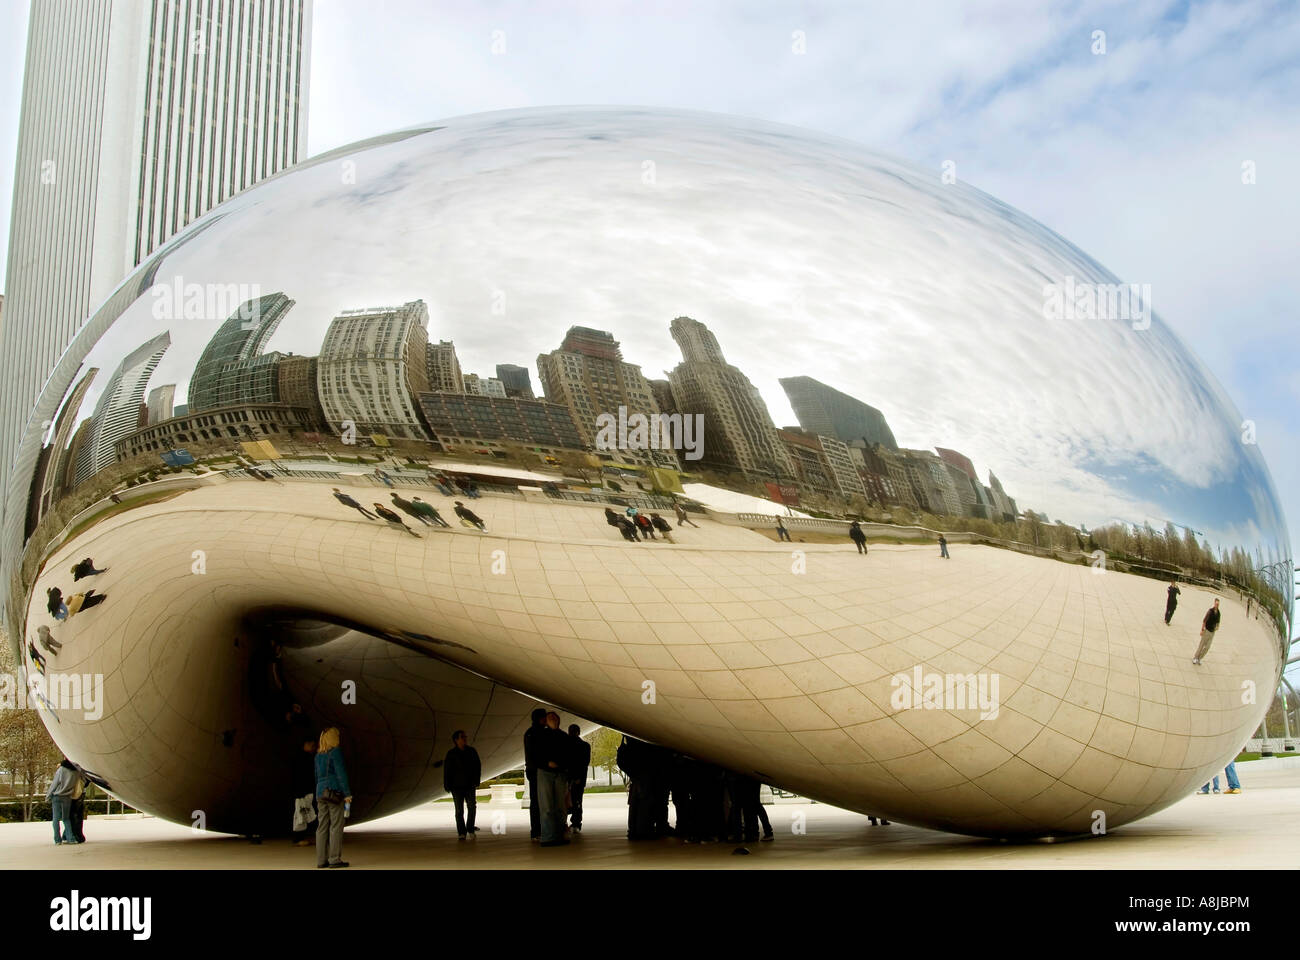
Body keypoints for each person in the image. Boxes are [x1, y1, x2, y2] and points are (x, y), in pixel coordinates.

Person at [314, 727, 351, 868]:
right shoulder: (335, 752)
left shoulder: (318, 755)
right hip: (334, 792)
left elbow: (317, 776)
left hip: (320, 793)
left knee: (322, 826)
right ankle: (334, 859)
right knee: (336, 825)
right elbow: (341, 774)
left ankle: (321, 860)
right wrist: (347, 793)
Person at [536, 712, 570, 846]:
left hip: (560, 773)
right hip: (546, 772)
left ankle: (559, 835)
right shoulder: (541, 736)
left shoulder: (563, 736)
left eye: (555, 718)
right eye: (550, 718)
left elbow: (569, 755)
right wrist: (546, 763)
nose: (553, 720)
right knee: (547, 806)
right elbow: (535, 754)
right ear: (546, 721)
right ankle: (548, 837)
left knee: (560, 806)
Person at [443, 730, 482, 839]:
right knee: (459, 810)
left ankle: (470, 828)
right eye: (462, 737)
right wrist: (447, 784)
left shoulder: (472, 751)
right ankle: (461, 832)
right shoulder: (451, 754)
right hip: (456, 786)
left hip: (469, 785)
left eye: (465, 736)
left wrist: (476, 780)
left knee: (472, 807)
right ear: (456, 740)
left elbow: (477, 766)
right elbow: (447, 770)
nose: (465, 739)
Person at [523, 708, 547, 841]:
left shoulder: (530, 733)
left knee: (537, 802)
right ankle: (537, 830)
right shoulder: (535, 734)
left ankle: (538, 830)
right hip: (537, 771)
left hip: (534, 771)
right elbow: (535, 755)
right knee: (537, 803)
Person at [46, 759, 80, 845]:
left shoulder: (61, 769)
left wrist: (48, 795)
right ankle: (70, 839)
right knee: (66, 818)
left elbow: (55, 783)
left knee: (56, 819)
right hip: (67, 797)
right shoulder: (76, 771)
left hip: (57, 796)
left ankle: (57, 840)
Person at [292, 740, 317, 846]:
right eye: (311, 745)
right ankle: (298, 838)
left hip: (303, 791)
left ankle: (300, 837)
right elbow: (302, 776)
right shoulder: (303, 758)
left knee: (303, 814)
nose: (313, 747)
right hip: (303, 791)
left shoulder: (303, 757)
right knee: (301, 814)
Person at [566, 724, 591, 833]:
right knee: (577, 801)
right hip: (578, 779)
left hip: (569, 778)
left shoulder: (565, 745)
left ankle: (569, 822)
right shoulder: (585, 745)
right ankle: (576, 823)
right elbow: (584, 763)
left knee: (567, 801)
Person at [1192, 599, 1222, 665]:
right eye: (1216, 604)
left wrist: (1217, 627)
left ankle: (1200, 658)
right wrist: (1202, 630)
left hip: (1212, 632)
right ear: (1214, 604)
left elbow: (1218, 622)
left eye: (1218, 604)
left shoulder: (1219, 613)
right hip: (1207, 631)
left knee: (1207, 647)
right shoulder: (1210, 611)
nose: (1217, 605)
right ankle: (1195, 657)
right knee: (1201, 645)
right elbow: (1204, 620)